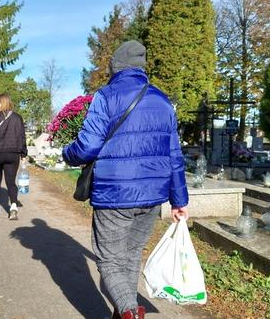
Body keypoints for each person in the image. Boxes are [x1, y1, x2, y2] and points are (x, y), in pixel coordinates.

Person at [62, 40, 189, 319]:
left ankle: (130, 312)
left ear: (115, 66)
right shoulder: (163, 100)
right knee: (130, 256)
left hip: (114, 193)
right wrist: (179, 200)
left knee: (109, 259)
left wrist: (67, 153)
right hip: (153, 196)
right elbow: (175, 155)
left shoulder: (105, 97)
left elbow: (87, 147)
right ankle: (123, 313)